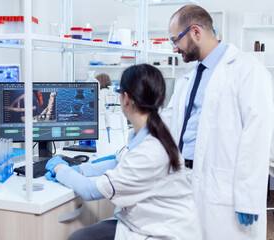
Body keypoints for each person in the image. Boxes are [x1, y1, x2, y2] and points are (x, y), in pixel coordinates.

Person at [45, 64, 201, 240]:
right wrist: (80, 170)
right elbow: (118, 161)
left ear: (126, 98)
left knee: (79, 238)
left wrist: (60, 169)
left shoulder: (148, 151)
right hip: (150, 221)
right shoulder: (151, 131)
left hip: (161, 232)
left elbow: (89, 191)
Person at [163, 5, 273, 239]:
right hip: (184, 180)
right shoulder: (188, 78)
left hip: (224, 191)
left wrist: (249, 197)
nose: (174, 49)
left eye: (176, 40)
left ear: (195, 32)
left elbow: (257, 135)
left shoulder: (247, 70)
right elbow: (168, 123)